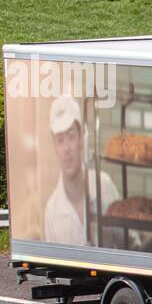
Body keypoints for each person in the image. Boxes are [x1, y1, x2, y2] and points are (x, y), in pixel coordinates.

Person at [44, 94, 120, 246]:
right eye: (60, 140)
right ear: (54, 146)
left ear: (81, 139)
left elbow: (135, 248)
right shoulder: (52, 211)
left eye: (71, 137)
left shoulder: (104, 186)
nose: (66, 149)